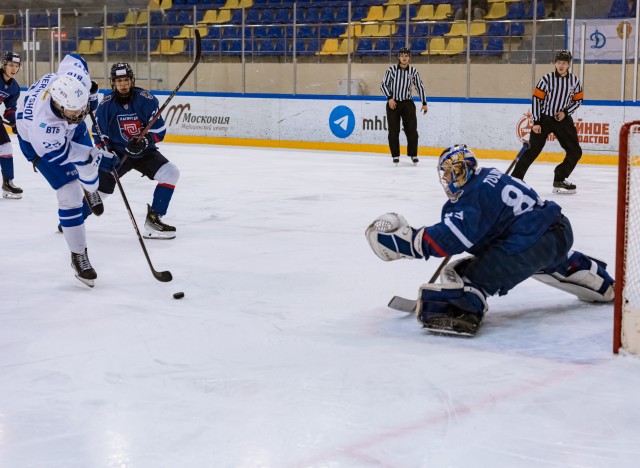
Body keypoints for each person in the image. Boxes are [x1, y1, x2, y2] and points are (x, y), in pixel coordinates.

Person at [365, 144, 614, 336]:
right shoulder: (488, 176)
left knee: (460, 274)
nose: (447, 178)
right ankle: (594, 277)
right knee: (532, 252)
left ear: (463, 171)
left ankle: (462, 307)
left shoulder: (474, 194)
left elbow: (452, 237)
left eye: (451, 172)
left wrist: (411, 242)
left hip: (531, 243)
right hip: (558, 231)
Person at [15, 54, 120, 287]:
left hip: (67, 130)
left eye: (81, 109)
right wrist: (97, 156)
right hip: (38, 147)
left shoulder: (72, 84)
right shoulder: (43, 130)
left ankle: (91, 190)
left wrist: (91, 92)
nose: (80, 114)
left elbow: (74, 58)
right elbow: (70, 155)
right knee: (70, 193)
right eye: (75, 112)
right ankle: (78, 255)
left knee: (90, 168)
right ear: (59, 104)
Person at [92, 62, 179, 239]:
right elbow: (98, 135)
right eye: (118, 81)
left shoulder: (146, 99)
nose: (122, 84)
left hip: (144, 152)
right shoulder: (106, 105)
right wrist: (109, 153)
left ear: (132, 80)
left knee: (170, 173)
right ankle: (73, 219)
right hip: (117, 155)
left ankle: (154, 219)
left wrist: (145, 141)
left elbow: (159, 131)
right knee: (101, 192)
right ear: (113, 83)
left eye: (125, 80)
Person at [511, 50, 583, 194]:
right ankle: (515, 179)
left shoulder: (574, 81)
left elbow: (578, 100)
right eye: (559, 62)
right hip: (544, 119)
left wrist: (565, 113)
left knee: (575, 151)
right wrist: (536, 122)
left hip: (562, 120)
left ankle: (560, 178)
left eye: (564, 63)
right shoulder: (546, 79)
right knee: (532, 150)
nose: (561, 65)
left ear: (569, 65)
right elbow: (537, 100)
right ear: (555, 63)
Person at [380, 46, 428, 166]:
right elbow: (383, 85)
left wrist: (424, 103)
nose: (404, 58)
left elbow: (419, 87)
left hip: (407, 103)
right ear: (398, 57)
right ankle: (395, 155)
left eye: (406, 55)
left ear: (409, 58)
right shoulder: (391, 70)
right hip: (393, 103)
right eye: (402, 55)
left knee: (412, 130)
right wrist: (389, 98)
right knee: (393, 131)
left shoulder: (413, 71)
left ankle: (413, 154)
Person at [0, 51, 23, 199]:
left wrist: (15, 122)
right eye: (10, 65)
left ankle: (8, 183)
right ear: (3, 65)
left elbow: (10, 109)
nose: (13, 69)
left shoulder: (14, 88)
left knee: (6, 147)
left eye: (16, 65)